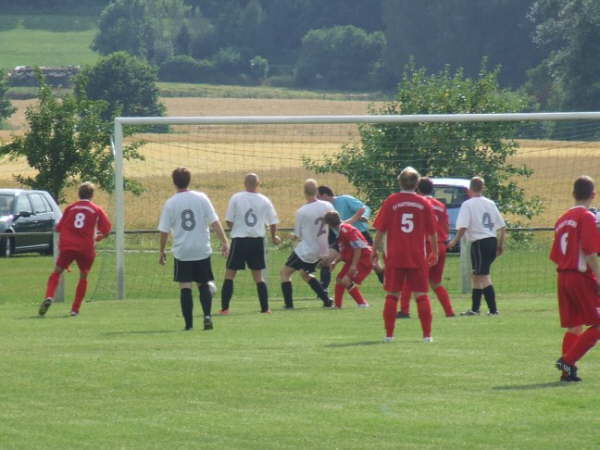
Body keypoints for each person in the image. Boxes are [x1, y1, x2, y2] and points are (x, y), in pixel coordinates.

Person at [158, 168, 229, 331]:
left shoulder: (171, 203)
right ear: (189, 180)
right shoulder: (201, 198)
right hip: (201, 248)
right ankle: (207, 316)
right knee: (204, 284)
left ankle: (189, 325)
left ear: (174, 182)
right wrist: (225, 242)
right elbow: (215, 222)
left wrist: (161, 251)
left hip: (183, 251)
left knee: (185, 287)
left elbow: (164, 230)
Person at [373, 167, 438, 342]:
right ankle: (427, 336)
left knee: (392, 295)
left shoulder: (391, 201)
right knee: (421, 295)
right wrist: (435, 252)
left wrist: (374, 250)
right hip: (417, 255)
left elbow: (380, 229)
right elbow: (432, 233)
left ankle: (389, 335)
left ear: (399, 182)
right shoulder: (424, 203)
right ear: (417, 183)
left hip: (395, 254)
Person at [551, 176, 600, 382]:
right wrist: (598, 276)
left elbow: (555, 255)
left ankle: (567, 373)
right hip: (580, 276)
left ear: (573, 194)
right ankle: (568, 361)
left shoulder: (562, 219)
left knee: (575, 325)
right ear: (593, 194)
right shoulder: (587, 217)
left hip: (563, 276)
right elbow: (589, 252)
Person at [38, 182, 111, 317]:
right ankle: (74, 309)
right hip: (86, 248)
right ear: (92, 195)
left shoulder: (70, 208)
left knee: (57, 272)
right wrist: (98, 238)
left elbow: (59, 227)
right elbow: (107, 230)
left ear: (79, 194)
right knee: (83, 276)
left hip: (68, 246)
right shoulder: (96, 209)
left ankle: (49, 296)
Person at [219, 173, 280, 314]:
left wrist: (236, 228)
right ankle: (265, 308)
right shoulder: (265, 200)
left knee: (230, 274)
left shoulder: (236, 197)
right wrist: (273, 236)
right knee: (258, 276)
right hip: (257, 240)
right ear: (258, 184)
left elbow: (228, 220)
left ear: (245, 183)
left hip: (239, 240)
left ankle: (225, 309)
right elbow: (273, 221)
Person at [447, 176, 506, 316]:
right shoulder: (490, 203)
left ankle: (493, 310)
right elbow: (502, 227)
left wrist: (454, 242)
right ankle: (475, 309)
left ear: (469, 190)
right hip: (491, 240)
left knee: (483, 275)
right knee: (476, 275)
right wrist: (500, 245)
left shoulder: (468, 204)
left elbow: (462, 227)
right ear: (483, 188)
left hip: (480, 242)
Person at [397, 177, 455, 318]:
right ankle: (449, 311)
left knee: (410, 278)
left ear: (418, 189)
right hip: (441, 245)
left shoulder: (419, 204)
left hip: (426, 246)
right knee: (436, 282)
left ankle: (404, 310)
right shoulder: (440, 205)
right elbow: (446, 225)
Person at [280, 179, 335, 309]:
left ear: (304, 192)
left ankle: (289, 305)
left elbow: (297, 235)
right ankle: (326, 300)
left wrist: (288, 238)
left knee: (285, 273)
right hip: (321, 250)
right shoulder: (327, 206)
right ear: (317, 191)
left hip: (306, 250)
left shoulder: (302, 211)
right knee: (305, 274)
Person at [317, 185, 384, 285]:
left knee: (375, 266)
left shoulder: (344, 199)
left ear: (325, 195)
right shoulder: (325, 208)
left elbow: (364, 208)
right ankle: (323, 291)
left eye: (318, 196)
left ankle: (388, 284)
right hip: (341, 238)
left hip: (360, 236)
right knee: (327, 260)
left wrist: (364, 217)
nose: (316, 199)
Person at [323, 211, 371, 308]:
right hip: (355, 258)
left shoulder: (346, 230)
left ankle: (362, 304)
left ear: (329, 224)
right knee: (340, 279)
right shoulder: (341, 230)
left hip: (364, 258)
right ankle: (337, 305)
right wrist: (335, 262)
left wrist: (353, 265)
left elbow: (358, 247)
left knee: (345, 280)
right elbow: (345, 250)